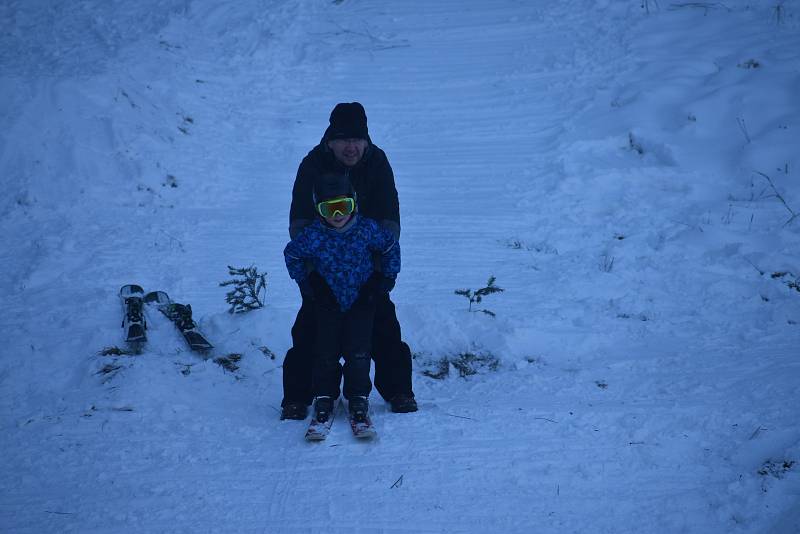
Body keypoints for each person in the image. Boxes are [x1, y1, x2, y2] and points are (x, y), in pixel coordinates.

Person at [281, 102, 417, 419]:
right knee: (309, 332)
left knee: (384, 327)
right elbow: (299, 224)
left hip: (366, 271)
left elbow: (389, 219)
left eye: (357, 139)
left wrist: (380, 278)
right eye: (343, 139)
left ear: (366, 141)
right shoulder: (312, 164)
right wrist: (311, 279)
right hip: (323, 272)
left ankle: (399, 391)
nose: (351, 146)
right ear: (330, 140)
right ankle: (297, 397)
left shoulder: (377, 162)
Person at [284, 172, 400, 422]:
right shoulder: (313, 235)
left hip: (362, 302)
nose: (338, 216)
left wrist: (386, 279)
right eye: (329, 209)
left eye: (343, 207)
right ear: (318, 208)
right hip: (327, 303)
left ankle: (358, 395)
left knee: (359, 351)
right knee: (325, 351)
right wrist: (307, 282)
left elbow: (390, 246)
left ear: (354, 202)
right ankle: (324, 394)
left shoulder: (366, 229)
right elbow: (292, 254)